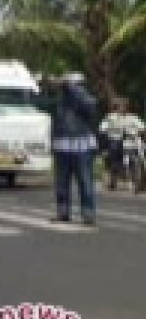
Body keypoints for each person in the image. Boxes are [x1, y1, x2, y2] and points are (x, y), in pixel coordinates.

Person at [45, 74, 99, 225]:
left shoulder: (86, 99)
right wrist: (47, 87)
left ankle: (88, 214)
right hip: (62, 145)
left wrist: (70, 87)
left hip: (82, 146)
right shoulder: (59, 101)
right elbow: (42, 105)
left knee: (85, 181)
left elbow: (89, 107)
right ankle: (63, 212)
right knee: (61, 182)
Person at [98, 97, 145, 188]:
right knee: (114, 150)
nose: (122, 108)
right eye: (120, 106)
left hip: (131, 140)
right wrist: (105, 131)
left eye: (124, 106)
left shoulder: (133, 118)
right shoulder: (111, 117)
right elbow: (102, 128)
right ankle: (113, 175)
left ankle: (136, 178)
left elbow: (142, 127)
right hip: (115, 140)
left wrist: (140, 132)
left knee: (138, 154)